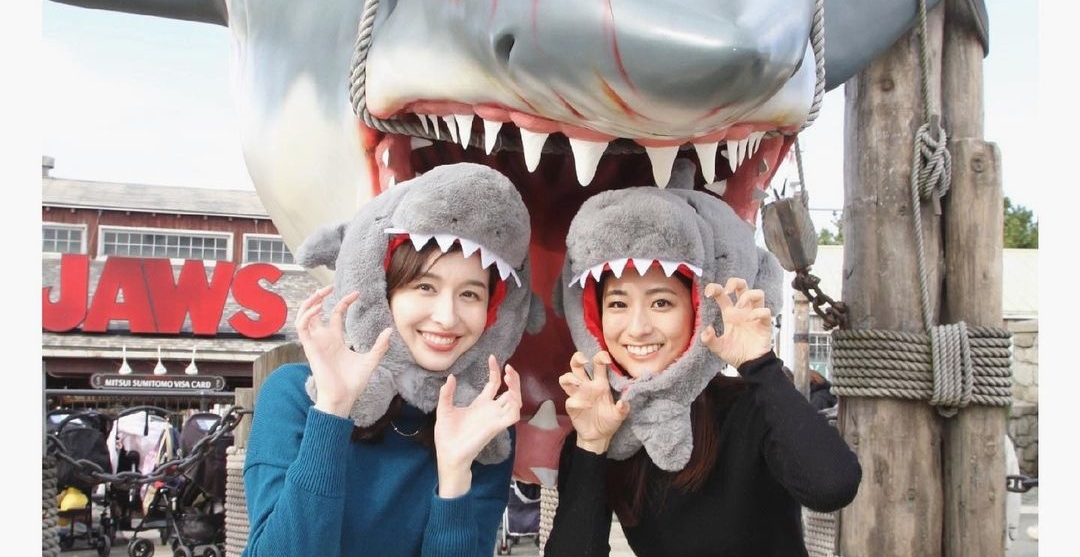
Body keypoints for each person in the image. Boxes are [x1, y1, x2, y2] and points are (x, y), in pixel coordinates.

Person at [545, 185, 862, 557]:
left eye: (661, 303)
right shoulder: (603, 426)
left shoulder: (749, 409)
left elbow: (833, 487)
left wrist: (760, 365)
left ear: (697, 311)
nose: (638, 328)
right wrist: (592, 445)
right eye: (618, 304)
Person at [241, 164, 535, 557]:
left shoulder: (480, 421)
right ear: (383, 293)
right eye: (425, 286)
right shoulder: (295, 394)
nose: (447, 317)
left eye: (470, 294)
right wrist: (332, 411)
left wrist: (454, 475)